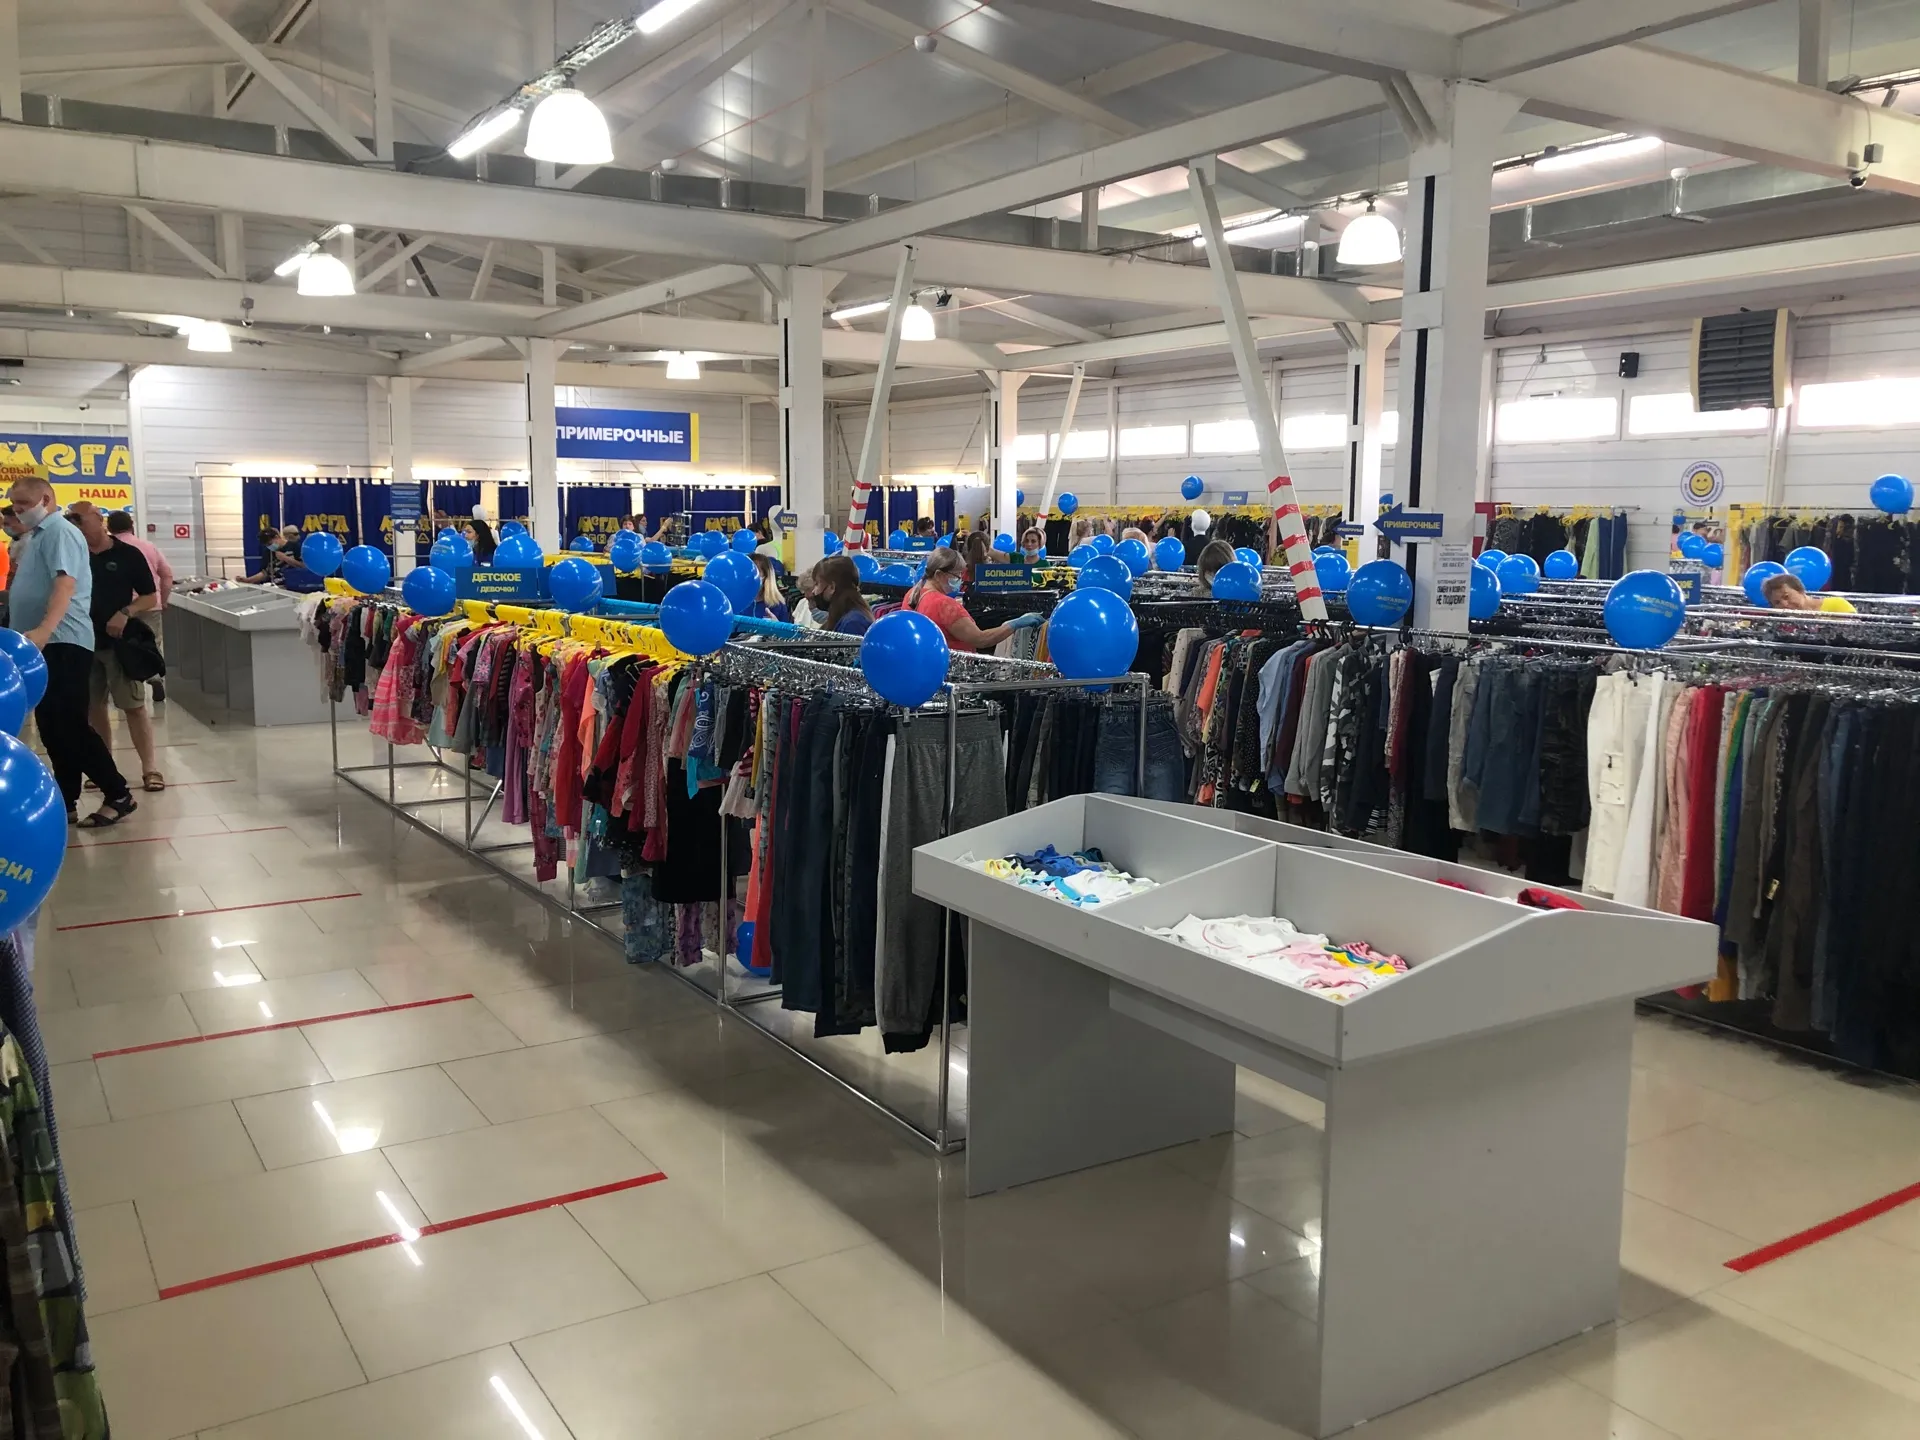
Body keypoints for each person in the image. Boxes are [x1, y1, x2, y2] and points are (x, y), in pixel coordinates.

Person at [4, 476, 136, 827]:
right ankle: (66, 799)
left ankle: (117, 792)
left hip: (62, 641)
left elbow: (65, 584)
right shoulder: (37, 536)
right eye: (14, 504)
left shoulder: (60, 532)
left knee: (70, 725)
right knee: (52, 727)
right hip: (42, 645)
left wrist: (45, 629)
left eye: (23, 504)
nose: (17, 510)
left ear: (45, 500)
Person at [70, 502, 164, 792]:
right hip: (83, 642)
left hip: (118, 644)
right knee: (94, 708)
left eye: (80, 519)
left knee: (133, 706)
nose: (76, 526)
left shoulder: (128, 554)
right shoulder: (73, 554)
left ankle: (150, 769)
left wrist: (125, 612)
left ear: (99, 519)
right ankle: (105, 769)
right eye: (71, 520)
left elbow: (149, 596)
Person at [902, 546, 1040, 652]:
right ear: (938, 574)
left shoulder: (912, 594)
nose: (960, 580)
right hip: (952, 671)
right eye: (956, 575)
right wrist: (1014, 625)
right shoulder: (944, 605)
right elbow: (981, 639)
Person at [107, 509, 173, 702]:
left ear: (109, 527)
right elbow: (167, 575)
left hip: (118, 607)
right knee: (152, 642)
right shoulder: (149, 546)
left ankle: (128, 685)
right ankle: (154, 676)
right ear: (132, 526)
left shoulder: (108, 548)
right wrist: (164, 600)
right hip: (150, 604)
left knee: (121, 646)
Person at [807, 554, 874, 636]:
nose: (813, 591)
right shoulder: (844, 617)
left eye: (817, 584)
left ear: (832, 587)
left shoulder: (853, 623)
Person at [1762, 572, 1857, 614]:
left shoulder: (1837, 604)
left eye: (1786, 597)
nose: (1784, 604)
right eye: (1777, 603)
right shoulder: (1784, 626)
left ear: (1800, 590)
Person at [748, 553, 791, 622]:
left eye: (756, 572)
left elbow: (785, 628)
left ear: (766, 576)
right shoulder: (736, 602)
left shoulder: (778, 605)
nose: (750, 576)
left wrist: (776, 625)